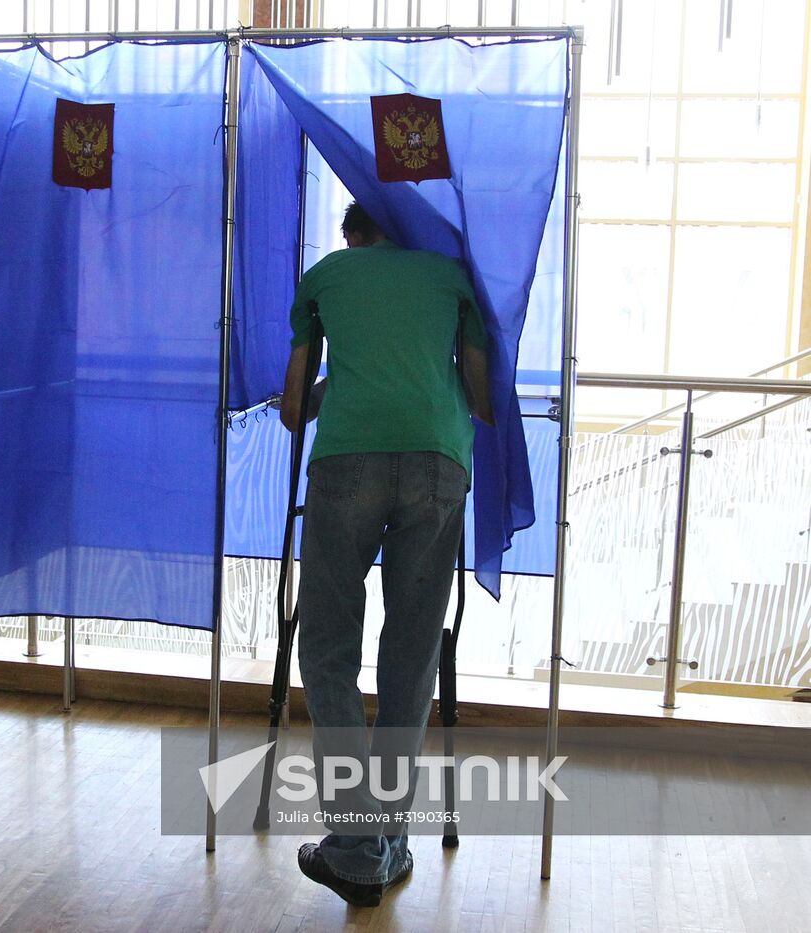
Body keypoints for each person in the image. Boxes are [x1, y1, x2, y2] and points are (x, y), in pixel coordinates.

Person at [281, 202, 492, 907]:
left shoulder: (325, 278)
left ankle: (355, 844)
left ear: (350, 234)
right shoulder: (453, 276)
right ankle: (384, 843)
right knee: (411, 653)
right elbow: (484, 399)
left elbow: (291, 404)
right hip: (437, 462)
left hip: (347, 465)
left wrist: (339, 382)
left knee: (330, 650)